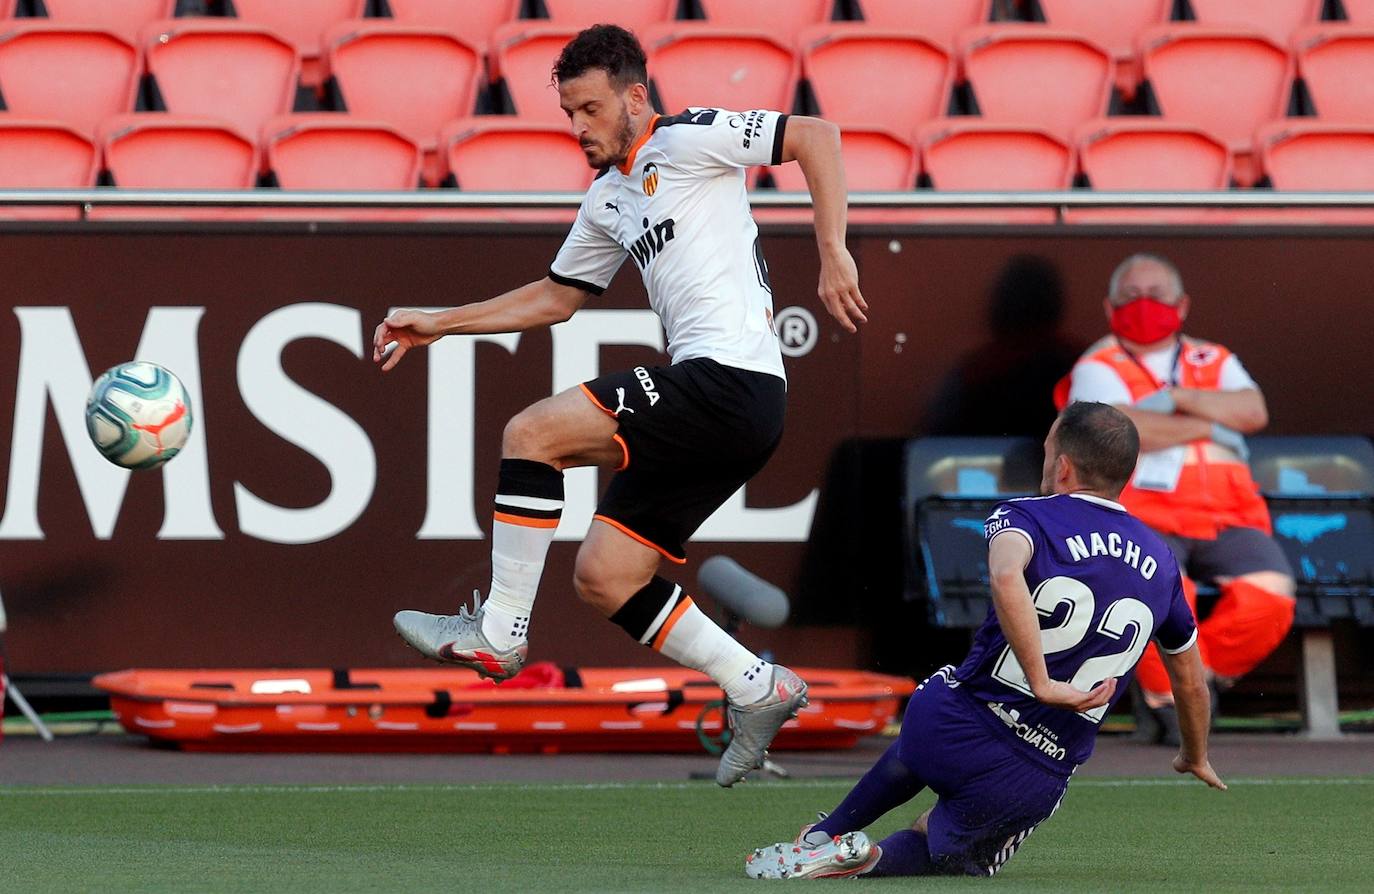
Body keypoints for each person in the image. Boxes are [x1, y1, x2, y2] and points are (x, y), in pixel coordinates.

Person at [372, 25, 867, 787]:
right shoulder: (608, 199)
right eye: (570, 112)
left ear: (636, 97)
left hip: (733, 380)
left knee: (532, 432)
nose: (579, 128)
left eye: (592, 109)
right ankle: (756, 686)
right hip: (729, 411)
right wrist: (440, 322)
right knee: (605, 576)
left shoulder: (691, 138)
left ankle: (499, 634)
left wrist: (833, 248)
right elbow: (556, 297)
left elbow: (817, 135)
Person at [745, 402, 1225, 880]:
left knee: (914, 752)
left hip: (956, 720)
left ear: (1062, 466)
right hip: (1035, 768)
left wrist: (1040, 679)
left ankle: (823, 835)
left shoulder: (1023, 516)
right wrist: (1195, 753)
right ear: (1128, 471)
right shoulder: (1162, 562)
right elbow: (1190, 682)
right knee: (942, 852)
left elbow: (1004, 573)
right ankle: (868, 860)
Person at [1061, 253, 1294, 743]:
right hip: (1142, 512)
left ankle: (1197, 684)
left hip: (1229, 513)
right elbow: (1117, 431)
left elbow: (1252, 410)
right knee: (1163, 596)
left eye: (1157, 296)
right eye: (1131, 297)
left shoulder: (1214, 358)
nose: (1144, 305)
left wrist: (1178, 398)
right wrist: (1211, 423)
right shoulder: (1097, 365)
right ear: (1110, 307)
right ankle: (1171, 703)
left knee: (1271, 594)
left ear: (1182, 305)